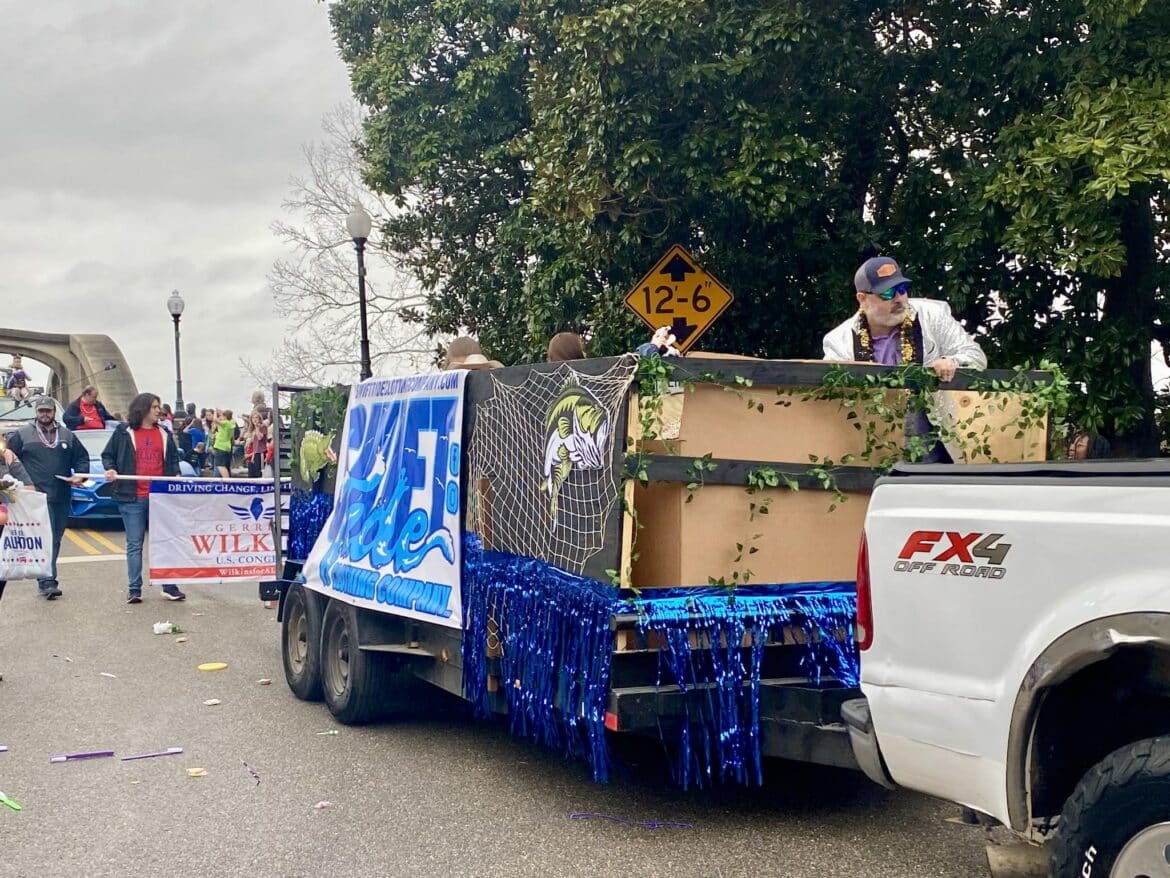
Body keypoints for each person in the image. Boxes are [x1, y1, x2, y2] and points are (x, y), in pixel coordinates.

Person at [823, 256, 987, 462]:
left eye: (902, 289)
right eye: (887, 293)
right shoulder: (839, 341)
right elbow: (832, 399)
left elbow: (976, 357)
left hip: (934, 437)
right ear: (862, 299)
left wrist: (951, 361)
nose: (899, 299)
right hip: (873, 444)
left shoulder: (932, 315)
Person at [101, 392, 185, 604]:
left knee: (165, 542)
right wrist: (110, 469)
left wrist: (176, 473)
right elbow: (108, 455)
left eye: (159, 407)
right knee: (134, 543)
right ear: (143, 408)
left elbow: (173, 459)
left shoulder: (164, 433)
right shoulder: (123, 432)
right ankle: (134, 588)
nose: (159, 410)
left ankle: (169, 585)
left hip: (160, 497)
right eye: (155, 407)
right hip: (132, 497)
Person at [5, 397, 89, 599]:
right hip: (36, 496)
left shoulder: (67, 435)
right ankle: (47, 581)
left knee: (56, 538)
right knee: (46, 537)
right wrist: (15, 484)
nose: (44, 414)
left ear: (54, 412)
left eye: (48, 411)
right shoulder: (22, 434)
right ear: (36, 412)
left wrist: (80, 475)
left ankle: (46, 574)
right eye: (41, 411)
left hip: (61, 493)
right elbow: (8, 460)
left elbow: (82, 458)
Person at [243, 411, 269, 478]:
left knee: (258, 472)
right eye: (253, 418)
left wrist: (257, 428)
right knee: (251, 473)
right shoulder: (252, 429)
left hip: (261, 452)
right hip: (254, 452)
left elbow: (260, 437)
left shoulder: (263, 427)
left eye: (256, 418)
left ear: (259, 419)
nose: (255, 419)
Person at [211, 409, 236, 478]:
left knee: (220, 465)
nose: (220, 417)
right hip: (227, 446)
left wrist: (215, 412)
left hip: (221, 446)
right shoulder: (232, 423)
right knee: (226, 466)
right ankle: (227, 480)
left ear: (225, 417)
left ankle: (227, 480)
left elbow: (215, 420)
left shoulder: (225, 423)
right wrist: (221, 412)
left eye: (221, 416)